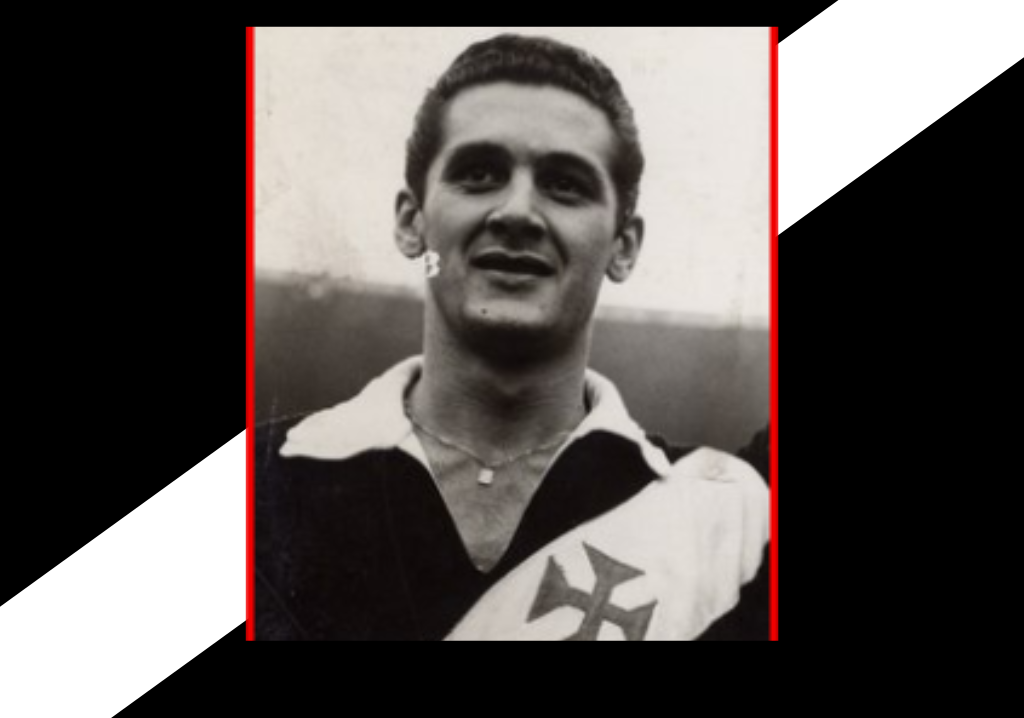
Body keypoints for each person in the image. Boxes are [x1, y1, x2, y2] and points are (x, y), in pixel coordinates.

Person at [255, 34, 770, 641]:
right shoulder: (252, 484)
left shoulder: (727, 517)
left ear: (624, 247)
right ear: (412, 223)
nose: (518, 213)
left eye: (565, 184)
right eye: (479, 174)